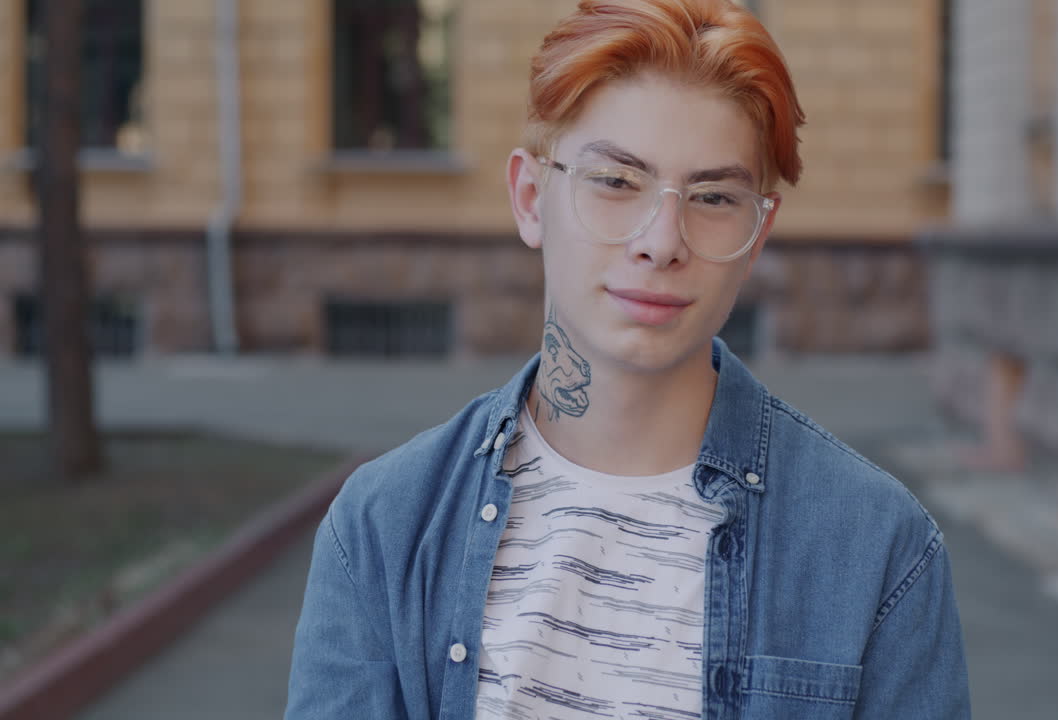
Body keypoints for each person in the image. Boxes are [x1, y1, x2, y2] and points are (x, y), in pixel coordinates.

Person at [285, 1, 971, 717]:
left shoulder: (878, 547)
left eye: (714, 196)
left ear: (758, 233)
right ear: (530, 198)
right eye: (615, 182)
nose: (662, 241)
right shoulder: (383, 526)